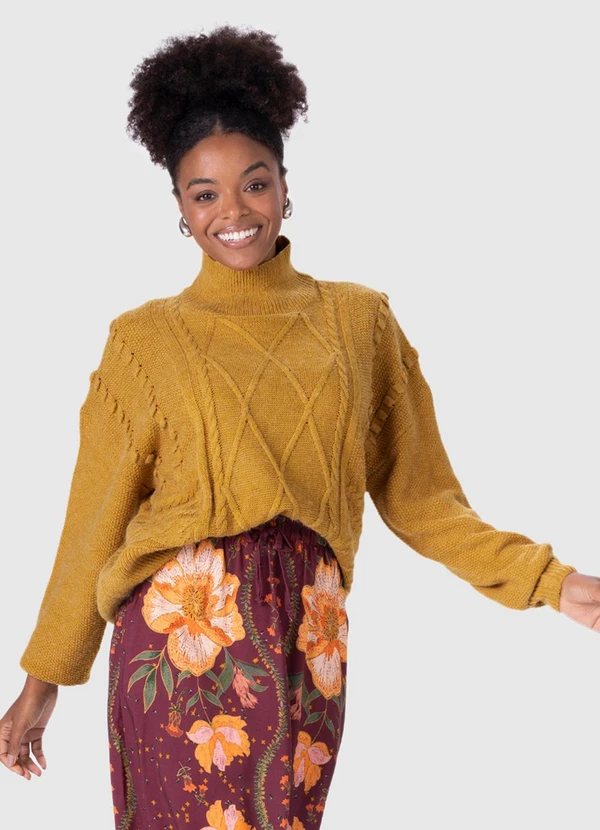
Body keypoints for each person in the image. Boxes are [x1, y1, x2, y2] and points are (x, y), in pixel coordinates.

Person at [1, 22, 599, 830]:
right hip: (176, 645)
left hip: (308, 643)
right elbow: (92, 525)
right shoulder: (143, 343)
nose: (232, 211)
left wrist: (552, 583)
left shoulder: (358, 322)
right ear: (179, 208)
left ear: (285, 185)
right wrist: (42, 684)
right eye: (203, 194)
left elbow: (425, 502)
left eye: (254, 183)